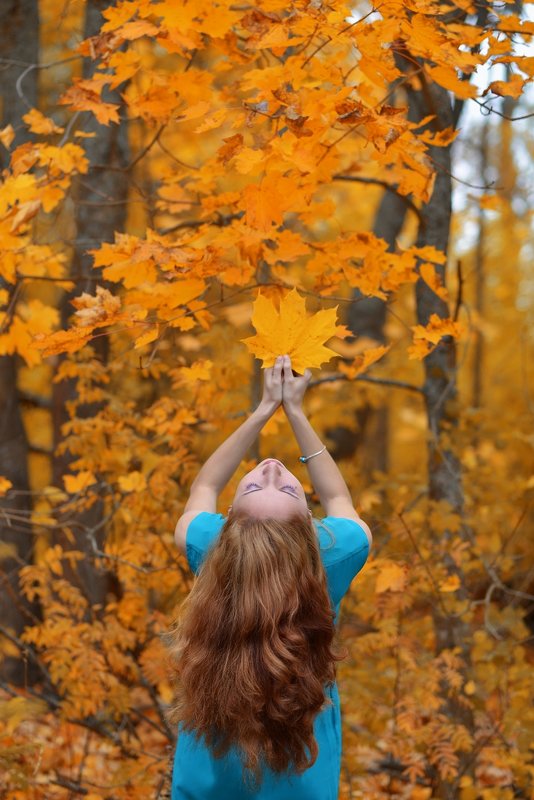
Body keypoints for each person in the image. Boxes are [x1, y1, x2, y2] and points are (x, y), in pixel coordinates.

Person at [166, 354, 373, 800]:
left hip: (205, 787)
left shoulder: (214, 550)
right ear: (310, 530)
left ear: (228, 523)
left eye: (260, 486)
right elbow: (338, 497)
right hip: (304, 782)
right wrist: (295, 412)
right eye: (284, 488)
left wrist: (262, 411)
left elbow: (201, 490)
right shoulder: (332, 561)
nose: (274, 471)